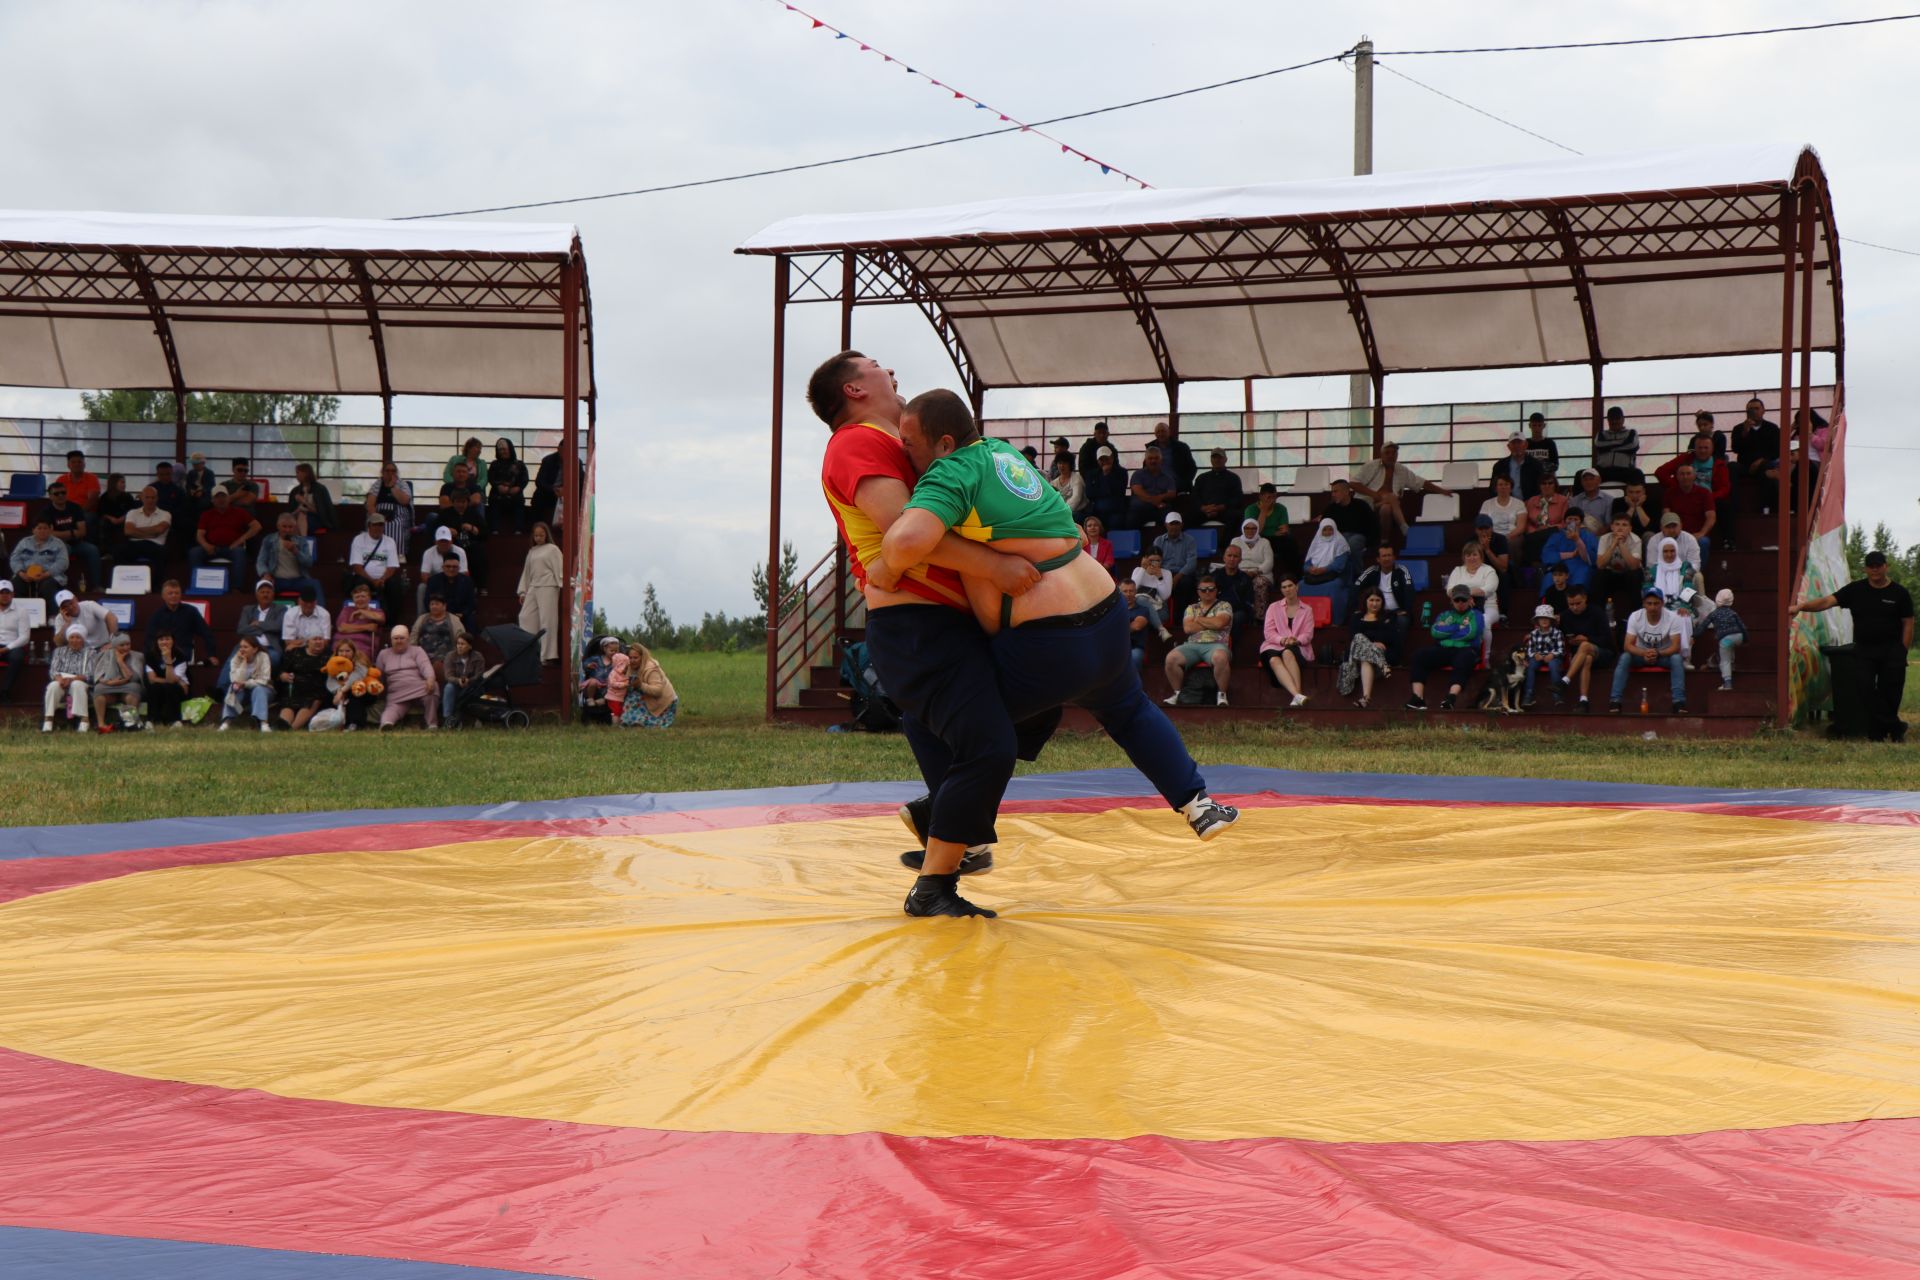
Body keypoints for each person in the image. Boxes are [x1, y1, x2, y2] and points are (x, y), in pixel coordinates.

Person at [866, 376, 1239, 915]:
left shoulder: (952, 470)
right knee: (1128, 708)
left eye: (910, 443)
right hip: (1107, 613)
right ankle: (1197, 803)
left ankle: (952, 830)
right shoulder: (1000, 455)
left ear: (944, 444)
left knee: (937, 717)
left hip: (1051, 641)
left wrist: (884, 566)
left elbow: (905, 540)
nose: (904, 452)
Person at [1790, 551, 1914, 741]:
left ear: (1885, 567)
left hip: (1892, 650)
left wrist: (1902, 650)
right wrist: (1800, 607)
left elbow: (1908, 622)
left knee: (1891, 692)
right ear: (1866, 568)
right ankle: (1895, 726)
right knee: (1864, 688)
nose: (1875, 570)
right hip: (1864, 650)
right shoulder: (1855, 590)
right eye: (1871, 566)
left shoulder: (1899, 593)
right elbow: (1826, 602)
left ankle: (1879, 733)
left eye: (1878, 565)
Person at [1350, 442, 1448, 545]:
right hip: (1366, 504)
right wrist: (1375, 495)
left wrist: (1441, 490)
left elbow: (1420, 482)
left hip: (1385, 505)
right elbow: (1353, 483)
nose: (1390, 456)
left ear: (1397, 455)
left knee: (1386, 508)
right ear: (1381, 455)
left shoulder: (1401, 470)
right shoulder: (1371, 466)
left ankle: (1384, 541)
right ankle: (1404, 526)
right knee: (1391, 497)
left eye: (1394, 453)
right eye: (1387, 453)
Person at [1405, 584, 1484, 711]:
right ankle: (1417, 698)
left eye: (1463, 600)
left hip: (1466, 649)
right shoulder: (1444, 615)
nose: (1460, 603)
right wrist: (1458, 627)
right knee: (1419, 656)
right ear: (1451, 601)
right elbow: (1435, 632)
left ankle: (1451, 698)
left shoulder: (1476, 615)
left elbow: (1471, 633)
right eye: (1457, 600)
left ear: (1470, 600)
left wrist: (1447, 632)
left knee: (1463, 660)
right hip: (1444, 649)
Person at [1611, 586, 1688, 714]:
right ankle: (1615, 701)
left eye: (1656, 603)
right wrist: (1643, 653)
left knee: (1676, 659)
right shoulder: (1636, 617)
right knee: (1625, 657)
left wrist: (1658, 653)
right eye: (1649, 603)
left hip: (1663, 655)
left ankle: (1679, 702)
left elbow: (1675, 646)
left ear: (1662, 603)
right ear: (1644, 604)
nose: (1653, 607)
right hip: (1641, 655)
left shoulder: (1673, 617)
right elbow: (1627, 645)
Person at [1163, 573, 1235, 708]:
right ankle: (1178, 693)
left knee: (1220, 658)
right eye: (1203, 590)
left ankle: (1221, 694)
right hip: (1193, 645)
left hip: (1217, 644)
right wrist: (1210, 622)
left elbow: (1220, 623)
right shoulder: (1191, 607)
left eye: (1211, 589)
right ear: (1198, 592)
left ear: (1216, 590)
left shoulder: (1224, 605)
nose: (1207, 592)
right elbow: (1188, 628)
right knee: (1171, 658)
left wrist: (1199, 620)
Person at [1658, 434, 1733, 552]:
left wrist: (1709, 497)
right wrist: (1681, 485)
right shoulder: (1685, 459)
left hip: (1709, 497)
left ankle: (1728, 541)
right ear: (1694, 448)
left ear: (1712, 449)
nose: (1702, 450)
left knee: (1725, 506)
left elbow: (1725, 488)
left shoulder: (1719, 464)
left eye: (1706, 448)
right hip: (1685, 495)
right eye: (1699, 447)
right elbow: (1660, 472)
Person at [1349, 543, 1412, 662]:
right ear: (1378, 559)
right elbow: (1356, 586)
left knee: (1402, 621)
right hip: (1375, 609)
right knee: (1355, 618)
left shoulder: (1402, 571)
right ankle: (1362, 652)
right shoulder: (1371, 571)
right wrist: (1357, 607)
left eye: (1389, 555)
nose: (1387, 558)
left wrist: (1405, 610)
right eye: (1384, 556)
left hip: (1395, 611)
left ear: (1394, 557)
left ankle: (1396, 657)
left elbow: (1410, 591)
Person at [1259, 574, 1315, 708]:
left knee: (1287, 653)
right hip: (1273, 645)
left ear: (1297, 587)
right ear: (1281, 590)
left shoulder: (1307, 609)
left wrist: (1296, 640)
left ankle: (1297, 695)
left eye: (1290, 586)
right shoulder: (1273, 607)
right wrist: (1282, 640)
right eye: (1284, 587)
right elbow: (1268, 632)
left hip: (1297, 646)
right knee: (1273, 659)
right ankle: (1297, 694)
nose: (1287, 589)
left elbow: (1308, 634)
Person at [220, 580, 286, 690]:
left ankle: (257, 686)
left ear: (273, 594)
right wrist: (262, 630)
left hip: (269, 648)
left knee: (274, 658)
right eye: (262, 592)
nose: (265, 594)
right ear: (256, 594)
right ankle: (221, 689)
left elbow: (278, 626)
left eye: (268, 592)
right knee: (233, 659)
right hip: (248, 645)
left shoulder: (281, 609)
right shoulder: (248, 609)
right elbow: (241, 629)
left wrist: (258, 624)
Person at [1557, 585, 1614, 712]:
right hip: (1580, 657)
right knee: (1587, 658)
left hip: (1603, 653)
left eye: (1578, 603)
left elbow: (1607, 639)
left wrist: (1587, 639)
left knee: (1585, 646)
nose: (1574, 607)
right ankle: (1583, 701)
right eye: (1571, 604)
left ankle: (1565, 680)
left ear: (1585, 599)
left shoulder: (1597, 612)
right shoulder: (1565, 616)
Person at [188, 487, 260, 588]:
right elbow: (199, 534)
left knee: (240, 553)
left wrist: (240, 540)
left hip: (232, 548)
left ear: (228, 498)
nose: (221, 499)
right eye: (217, 497)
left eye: (223, 496)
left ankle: (237, 589)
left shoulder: (240, 512)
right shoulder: (206, 515)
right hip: (212, 547)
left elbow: (256, 526)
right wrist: (205, 545)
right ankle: (198, 585)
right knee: (194, 552)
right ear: (212, 500)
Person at [39, 482, 101, 592]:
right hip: (56, 545)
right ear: (50, 496)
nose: (61, 496)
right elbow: (49, 533)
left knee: (93, 550)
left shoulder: (75, 507)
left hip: (77, 543)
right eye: (56, 493)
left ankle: (96, 586)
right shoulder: (46, 512)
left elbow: (82, 531)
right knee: (64, 549)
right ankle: (60, 586)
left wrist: (62, 534)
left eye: (63, 492)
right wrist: (72, 533)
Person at [515, 520, 563, 662]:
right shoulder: (532, 551)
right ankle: (531, 651)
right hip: (534, 586)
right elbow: (527, 572)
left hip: (548, 586)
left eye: (541, 535)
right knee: (525, 616)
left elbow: (559, 568)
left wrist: (563, 581)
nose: (538, 538)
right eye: (536, 535)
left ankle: (546, 655)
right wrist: (523, 591)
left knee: (547, 620)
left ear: (546, 535)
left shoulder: (553, 549)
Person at [1340, 589, 1396, 708]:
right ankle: (1381, 664)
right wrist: (1373, 643)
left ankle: (1366, 698)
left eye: (1377, 600)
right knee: (1358, 637)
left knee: (1365, 656)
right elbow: (1353, 637)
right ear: (1365, 601)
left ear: (1382, 602)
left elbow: (1390, 636)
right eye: (1371, 600)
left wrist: (1371, 641)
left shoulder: (1389, 616)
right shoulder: (1357, 616)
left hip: (1380, 653)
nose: (1374, 603)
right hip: (1358, 655)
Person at [1444, 541, 1501, 658]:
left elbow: (1487, 590)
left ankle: (1486, 657)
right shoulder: (1457, 570)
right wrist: (1466, 597)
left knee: (1483, 621)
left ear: (1481, 556)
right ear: (1464, 557)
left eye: (1475, 554)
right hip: (1461, 607)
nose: (1471, 558)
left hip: (1488, 607)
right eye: (1468, 555)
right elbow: (1450, 591)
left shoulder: (1489, 570)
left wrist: (1464, 593)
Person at [345, 511, 407, 617]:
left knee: (395, 585)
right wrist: (372, 581)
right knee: (360, 582)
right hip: (365, 577)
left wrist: (382, 579)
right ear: (369, 525)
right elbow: (357, 566)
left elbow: (392, 566)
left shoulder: (390, 541)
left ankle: (390, 620)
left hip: (384, 579)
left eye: (381, 525)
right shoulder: (359, 539)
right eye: (375, 525)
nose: (378, 528)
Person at [377, 625, 439, 729]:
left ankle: (432, 724)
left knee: (434, 688)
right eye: (396, 638)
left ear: (408, 639)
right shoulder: (383, 654)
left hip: (418, 687)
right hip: (396, 692)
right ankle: (386, 724)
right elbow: (378, 674)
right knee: (391, 711)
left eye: (402, 638)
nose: (399, 641)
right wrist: (378, 688)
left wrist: (430, 679)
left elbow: (426, 666)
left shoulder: (417, 650)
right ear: (391, 640)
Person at [256, 512, 325, 605]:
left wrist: (295, 551)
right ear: (278, 526)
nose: (287, 530)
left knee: (315, 584)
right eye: (284, 526)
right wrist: (265, 574)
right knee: (261, 586)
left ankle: (321, 614)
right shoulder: (269, 540)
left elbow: (309, 563)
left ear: (295, 527)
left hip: (298, 580)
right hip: (277, 580)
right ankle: (262, 614)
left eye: (290, 527)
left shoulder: (301, 541)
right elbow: (261, 561)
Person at [144, 578, 216, 664]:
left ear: (180, 595)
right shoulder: (157, 615)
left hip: (184, 653)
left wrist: (211, 655)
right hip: (162, 654)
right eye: (170, 593)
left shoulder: (191, 611)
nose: (174, 596)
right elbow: (149, 639)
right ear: (163, 596)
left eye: (177, 593)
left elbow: (206, 633)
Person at [1659, 458, 1716, 559]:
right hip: (1675, 533)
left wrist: (1702, 533)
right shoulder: (1669, 493)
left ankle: (1696, 573)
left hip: (1696, 535)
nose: (1685, 477)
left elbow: (1711, 517)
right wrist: (1672, 533)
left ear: (1694, 476)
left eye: (1688, 473)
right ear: (1677, 476)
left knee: (1704, 542)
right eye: (1682, 474)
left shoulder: (1704, 493)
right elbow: (1666, 516)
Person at [278, 632, 333, 731]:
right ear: (307, 642)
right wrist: (283, 675)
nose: (318, 642)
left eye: (320, 639)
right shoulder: (295, 652)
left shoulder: (329, 656)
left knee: (311, 701)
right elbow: (282, 671)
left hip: (315, 690)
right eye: (315, 639)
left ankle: (292, 729)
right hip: (294, 688)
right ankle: (283, 726)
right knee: (288, 703)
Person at [1595, 514, 1644, 624]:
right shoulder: (1604, 538)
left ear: (1630, 528)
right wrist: (1613, 544)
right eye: (1617, 524)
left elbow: (1633, 566)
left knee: (1635, 574)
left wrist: (1621, 544)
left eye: (1624, 525)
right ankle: (1599, 615)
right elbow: (1600, 564)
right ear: (1612, 527)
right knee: (1599, 575)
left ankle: (1636, 616)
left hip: (1628, 575)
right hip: (1611, 574)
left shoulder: (1636, 540)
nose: (1620, 528)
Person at [1299, 517, 1350, 622]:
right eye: (1324, 529)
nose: (1327, 532)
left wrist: (1324, 569)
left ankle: (1335, 621)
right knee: (1300, 585)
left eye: (1330, 529)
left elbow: (1339, 565)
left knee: (1334, 587)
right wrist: (1310, 569)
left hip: (1333, 576)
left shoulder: (1340, 542)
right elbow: (1306, 565)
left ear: (1334, 529)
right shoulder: (1316, 542)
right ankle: (1305, 621)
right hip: (1315, 576)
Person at [218, 635, 274, 731]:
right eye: (241, 647)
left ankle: (264, 724)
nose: (242, 649)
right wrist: (243, 662)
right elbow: (235, 680)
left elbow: (264, 680)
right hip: (244, 693)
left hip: (264, 690)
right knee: (233, 687)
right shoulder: (235, 659)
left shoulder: (263, 656)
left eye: (245, 647)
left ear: (255, 649)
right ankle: (226, 723)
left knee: (259, 689)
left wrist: (246, 683)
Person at [91, 633, 145, 731]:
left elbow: (134, 678)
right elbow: (98, 676)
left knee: (134, 687)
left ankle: (131, 722)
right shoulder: (104, 655)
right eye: (122, 645)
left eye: (128, 644)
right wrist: (108, 683)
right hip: (109, 686)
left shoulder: (137, 656)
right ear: (115, 646)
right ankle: (101, 723)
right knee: (99, 688)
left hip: (127, 685)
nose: (126, 647)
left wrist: (120, 662)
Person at [42, 626, 92, 732]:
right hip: (62, 680)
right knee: (53, 686)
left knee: (77, 685)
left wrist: (72, 679)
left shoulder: (90, 653)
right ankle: (48, 719)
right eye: (72, 637)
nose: (74, 640)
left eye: (78, 637)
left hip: (80, 681)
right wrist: (59, 679)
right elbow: (53, 670)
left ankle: (84, 720)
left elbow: (89, 674)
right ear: (68, 639)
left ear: (83, 639)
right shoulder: (59, 651)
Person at [619, 642, 680, 728]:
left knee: (633, 697)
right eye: (630, 657)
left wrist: (640, 685)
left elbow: (658, 691)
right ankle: (630, 720)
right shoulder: (630, 667)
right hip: (646, 696)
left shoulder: (651, 669)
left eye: (635, 658)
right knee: (630, 696)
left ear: (642, 657)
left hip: (662, 702)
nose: (632, 660)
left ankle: (639, 721)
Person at [437, 488, 489, 585]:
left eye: (463, 502)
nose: (461, 505)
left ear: (468, 502)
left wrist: (473, 528)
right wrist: (447, 530)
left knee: (479, 551)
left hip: (471, 543)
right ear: (453, 502)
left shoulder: (474, 513)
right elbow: (437, 530)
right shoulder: (445, 514)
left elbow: (484, 533)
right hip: (452, 544)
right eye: (458, 502)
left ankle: (479, 585)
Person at [118, 486, 173, 576]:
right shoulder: (132, 513)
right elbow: (128, 531)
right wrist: (152, 533)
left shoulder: (165, 514)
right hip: (135, 545)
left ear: (157, 498)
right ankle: (127, 580)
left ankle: (155, 587)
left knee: (163, 554)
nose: (150, 500)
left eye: (153, 497)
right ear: (142, 498)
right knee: (118, 551)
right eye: (147, 497)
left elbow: (159, 530)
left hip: (156, 545)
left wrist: (136, 531)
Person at [9, 518, 69, 599]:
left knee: (47, 586)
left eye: (45, 528)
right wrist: (21, 573)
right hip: (25, 575)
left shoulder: (58, 544)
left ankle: (51, 612)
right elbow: (14, 559)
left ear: (50, 529)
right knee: (14, 584)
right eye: (39, 528)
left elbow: (63, 562)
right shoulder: (24, 542)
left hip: (50, 576)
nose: (42, 531)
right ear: (33, 530)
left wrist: (46, 574)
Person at [1540, 510, 1599, 592]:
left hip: (1581, 567)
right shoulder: (1556, 536)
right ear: (1565, 521)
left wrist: (1577, 540)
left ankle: (1576, 603)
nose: (1572, 522)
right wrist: (1570, 555)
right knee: (1549, 579)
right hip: (1559, 567)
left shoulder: (1589, 536)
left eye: (1575, 519)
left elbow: (1592, 559)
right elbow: (1547, 555)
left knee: (1582, 576)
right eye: (1569, 519)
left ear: (1581, 522)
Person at [1519, 473, 1569, 567]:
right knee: (1529, 540)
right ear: (1539, 486)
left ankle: (1543, 569)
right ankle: (1530, 573)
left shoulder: (1563, 500)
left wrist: (1549, 528)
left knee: (1533, 541)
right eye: (1543, 483)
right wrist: (1533, 531)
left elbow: (1565, 522)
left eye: (1550, 483)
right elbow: (1527, 521)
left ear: (1555, 485)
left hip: (1554, 532)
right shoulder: (1532, 501)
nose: (1547, 486)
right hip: (1535, 533)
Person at [1322, 478, 1376, 564]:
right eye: (1332, 492)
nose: (1333, 494)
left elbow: (1373, 525)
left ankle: (1358, 574)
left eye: (1336, 491)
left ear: (1346, 492)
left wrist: (1370, 543)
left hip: (1359, 535)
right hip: (1339, 537)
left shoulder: (1361, 505)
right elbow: (1323, 526)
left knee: (1353, 544)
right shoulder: (1330, 509)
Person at [1702, 588, 1748, 691]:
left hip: (1725, 639)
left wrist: (1694, 635)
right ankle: (1732, 667)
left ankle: (1727, 684)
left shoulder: (1714, 613)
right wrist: (1745, 639)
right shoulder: (1733, 613)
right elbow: (1743, 626)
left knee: (1724, 660)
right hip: (1738, 636)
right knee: (1730, 650)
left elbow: (1703, 626)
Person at [1522, 604, 1566, 709]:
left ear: (1551, 620)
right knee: (1531, 666)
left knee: (1553, 665)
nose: (1544, 620)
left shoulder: (1557, 633)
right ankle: (1528, 694)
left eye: (1547, 618)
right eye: (1541, 618)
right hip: (1539, 657)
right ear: (1537, 621)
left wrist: (1552, 654)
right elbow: (1530, 649)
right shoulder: (1533, 634)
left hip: (1553, 657)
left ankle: (1557, 695)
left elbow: (1561, 649)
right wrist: (1534, 654)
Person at [144, 631, 191, 728]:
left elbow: (171, 681)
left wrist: (168, 659)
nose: (164, 642)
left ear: (173, 641)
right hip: (169, 685)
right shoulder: (151, 656)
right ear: (157, 642)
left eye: (167, 639)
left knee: (171, 687)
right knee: (154, 687)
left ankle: (175, 721)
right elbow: (152, 679)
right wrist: (179, 681)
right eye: (161, 639)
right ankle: (151, 721)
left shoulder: (180, 656)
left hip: (179, 689)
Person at [326, 637, 374, 732]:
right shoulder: (333, 663)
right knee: (330, 697)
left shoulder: (360, 662)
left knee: (354, 694)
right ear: (337, 652)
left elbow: (357, 677)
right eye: (341, 651)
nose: (344, 654)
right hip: (341, 693)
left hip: (364, 691)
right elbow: (330, 682)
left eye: (347, 651)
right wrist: (338, 692)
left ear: (353, 652)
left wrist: (342, 691)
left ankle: (355, 724)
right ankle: (338, 723)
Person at [1126, 444, 1177, 530]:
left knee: (1170, 519)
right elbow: (1138, 491)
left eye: (1156, 458)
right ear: (1145, 460)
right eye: (1150, 458)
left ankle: (1165, 542)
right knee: (1130, 520)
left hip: (1160, 509)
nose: (1153, 461)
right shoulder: (1138, 474)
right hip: (1140, 509)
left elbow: (1172, 493)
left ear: (1161, 460)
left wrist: (1160, 497)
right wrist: (1156, 502)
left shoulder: (1168, 476)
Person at [367, 461, 416, 551]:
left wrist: (392, 487)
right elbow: (370, 504)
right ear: (382, 472)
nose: (390, 473)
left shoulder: (402, 484)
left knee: (396, 524)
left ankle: (399, 555)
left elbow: (405, 501)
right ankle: (376, 552)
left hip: (398, 513)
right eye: (387, 471)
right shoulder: (377, 484)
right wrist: (376, 517)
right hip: (379, 513)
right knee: (376, 524)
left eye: (393, 471)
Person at [412, 594, 466, 674]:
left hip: (446, 660)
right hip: (423, 659)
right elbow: (413, 638)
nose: (434, 606)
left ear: (444, 606)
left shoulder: (454, 620)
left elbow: (463, 640)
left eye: (437, 604)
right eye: (432, 604)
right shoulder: (422, 619)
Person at [1153, 512, 1197, 608]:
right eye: (1171, 524)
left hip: (1182, 574)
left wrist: (1177, 577)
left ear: (1181, 525)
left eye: (1177, 523)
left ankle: (1182, 615)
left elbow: (1191, 563)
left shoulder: (1190, 540)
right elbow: (1155, 561)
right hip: (1163, 573)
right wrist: (1164, 577)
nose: (1174, 527)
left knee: (1186, 583)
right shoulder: (1158, 541)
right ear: (1166, 525)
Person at [441, 631, 486, 727]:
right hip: (456, 685)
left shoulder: (478, 657)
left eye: (462, 644)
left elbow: (479, 675)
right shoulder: (450, 656)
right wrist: (458, 681)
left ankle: (477, 718)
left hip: (473, 686)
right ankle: (447, 719)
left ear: (470, 646)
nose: (459, 646)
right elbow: (448, 676)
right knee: (449, 687)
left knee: (480, 688)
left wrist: (469, 681)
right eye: (458, 644)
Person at [1130, 550, 1176, 642]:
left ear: (1161, 561)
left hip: (1160, 609)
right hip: (1139, 608)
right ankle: (1161, 629)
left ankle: (1138, 645)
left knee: (1139, 620)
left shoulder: (1166, 573)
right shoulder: (1138, 570)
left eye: (1157, 561)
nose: (1154, 563)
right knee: (1141, 599)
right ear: (1146, 559)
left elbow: (1165, 596)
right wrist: (1143, 569)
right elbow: (1132, 590)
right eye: (1151, 560)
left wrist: (1159, 578)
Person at [1731, 396, 1780, 479]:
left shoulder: (1772, 428)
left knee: (1766, 467)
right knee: (1731, 467)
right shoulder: (1738, 428)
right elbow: (1735, 448)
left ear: (1763, 411)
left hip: (1765, 464)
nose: (1754, 412)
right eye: (1751, 409)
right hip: (1745, 465)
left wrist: (1761, 460)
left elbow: (1777, 451)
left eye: (1757, 408)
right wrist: (1745, 432)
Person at [1231, 516, 1275, 609]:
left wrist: (1255, 572)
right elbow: (1232, 559)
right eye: (1247, 528)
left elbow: (1269, 562)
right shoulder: (1236, 541)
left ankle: (1259, 617)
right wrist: (1243, 572)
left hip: (1261, 574)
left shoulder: (1264, 542)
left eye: (1253, 528)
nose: (1250, 530)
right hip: (1240, 572)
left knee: (1259, 582)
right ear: (1243, 529)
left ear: (1257, 529)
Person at [336, 581, 386, 662]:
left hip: (362, 648)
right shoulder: (347, 610)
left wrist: (362, 611)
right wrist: (367, 627)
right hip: (342, 647)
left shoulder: (377, 611)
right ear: (353, 599)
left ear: (369, 598)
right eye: (357, 597)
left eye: (363, 596)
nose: (360, 599)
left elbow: (381, 618)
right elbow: (342, 627)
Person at [53, 588, 118, 651]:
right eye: (65, 606)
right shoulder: (60, 618)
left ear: (76, 599)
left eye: (71, 603)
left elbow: (112, 618)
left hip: (102, 647)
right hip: (80, 651)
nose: (70, 607)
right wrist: (66, 624)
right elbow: (58, 643)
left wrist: (112, 642)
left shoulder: (89, 605)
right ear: (61, 609)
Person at [1213, 542, 1258, 630]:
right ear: (1224, 558)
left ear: (1240, 560)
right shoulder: (1214, 576)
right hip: (1217, 610)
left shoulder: (1245, 579)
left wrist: (1230, 609)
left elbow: (1249, 601)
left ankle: (1230, 642)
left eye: (1235, 556)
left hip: (1237, 611)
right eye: (1229, 555)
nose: (1232, 559)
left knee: (1238, 617)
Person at [1193, 449, 1245, 525]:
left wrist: (1221, 507)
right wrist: (1203, 508)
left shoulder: (1233, 478)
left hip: (1225, 512)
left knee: (1237, 517)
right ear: (1211, 460)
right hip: (1205, 512)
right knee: (1186, 518)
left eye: (1220, 458)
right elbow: (1195, 497)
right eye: (1214, 457)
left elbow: (1238, 498)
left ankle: (1227, 537)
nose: (1217, 460)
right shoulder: (1202, 478)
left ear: (1225, 460)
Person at [1592, 406, 1643, 484]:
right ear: (1608, 420)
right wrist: (1623, 443)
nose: (1614, 421)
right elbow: (1599, 445)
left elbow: (1632, 445)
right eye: (1611, 419)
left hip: (1625, 470)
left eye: (1617, 419)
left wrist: (1608, 446)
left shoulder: (1631, 432)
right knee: (1580, 474)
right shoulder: (1601, 434)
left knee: (1638, 474)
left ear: (1623, 419)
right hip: (1603, 470)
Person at [1085, 447, 1130, 531]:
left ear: (1112, 458)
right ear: (1098, 461)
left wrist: (1107, 476)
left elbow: (1119, 491)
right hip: (1097, 510)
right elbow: (1089, 493)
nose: (1104, 462)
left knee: (1116, 522)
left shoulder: (1122, 472)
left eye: (1107, 459)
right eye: (1102, 460)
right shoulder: (1091, 474)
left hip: (1116, 509)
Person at [1487, 434, 1544, 500]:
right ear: (1508, 446)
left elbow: (1541, 487)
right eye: (1513, 443)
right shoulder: (1500, 465)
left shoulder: (1536, 465)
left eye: (1519, 443)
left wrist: (1532, 502)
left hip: (1530, 504)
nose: (1516, 446)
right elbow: (1493, 488)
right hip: (1506, 503)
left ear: (1526, 445)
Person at [286, 462, 336, 537]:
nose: (296, 476)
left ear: (305, 473)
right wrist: (298, 509)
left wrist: (304, 502)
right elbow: (290, 514)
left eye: (298, 472)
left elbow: (321, 512)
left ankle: (302, 540)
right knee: (299, 516)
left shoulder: (320, 489)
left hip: (316, 519)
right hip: (296, 519)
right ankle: (304, 540)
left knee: (302, 516)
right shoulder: (295, 491)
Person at [0, 580, 29, 702]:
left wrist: (5, 649)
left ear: (13, 594)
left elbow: (25, 637)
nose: (5, 595)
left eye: (8, 593)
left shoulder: (21, 611)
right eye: (2, 592)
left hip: (11, 647)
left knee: (17, 656)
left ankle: (4, 691)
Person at [95, 473, 137, 553]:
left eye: (124, 482)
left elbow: (132, 511)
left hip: (125, 519)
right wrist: (111, 518)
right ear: (113, 483)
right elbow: (102, 512)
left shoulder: (128, 496)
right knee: (103, 524)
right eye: (122, 482)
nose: (124, 485)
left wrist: (122, 518)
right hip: (109, 520)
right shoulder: (105, 497)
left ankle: (123, 551)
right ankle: (105, 551)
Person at [1149, 420, 1197, 492]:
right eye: (1158, 432)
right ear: (1155, 434)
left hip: (1177, 486)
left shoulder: (1181, 447)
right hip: (1156, 486)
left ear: (1169, 432)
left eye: (1163, 431)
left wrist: (1184, 483)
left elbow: (1192, 468)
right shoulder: (1151, 448)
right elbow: (1146, 467)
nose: (1161, 434)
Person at [1118, 578, 1153, 670]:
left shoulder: (1143, 610)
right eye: (1125, 591)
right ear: (1119, 593)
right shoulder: (1114, 611)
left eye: (1131, 591)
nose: (1128, 594)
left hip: (1134, 648)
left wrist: (1115, 629)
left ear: (1135, 592)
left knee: (1134, 658)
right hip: (1115, 647)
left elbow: (1136, 626)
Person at [580, 634, 619, 715]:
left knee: (614, 688)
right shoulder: (596, 659)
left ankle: (602, 700)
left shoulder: (617, 661)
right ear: (604, 649)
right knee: (593, 682)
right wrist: (588, 665)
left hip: (608, 685)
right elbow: (585, 663)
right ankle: (590, 698)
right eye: (611, 651)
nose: (614, 653)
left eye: (616, 651)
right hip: (595, 685)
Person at [1480, 473, 1525, 538]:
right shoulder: (1486, 504)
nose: (1503, 487)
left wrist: (1506, 538)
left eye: (1506, 484)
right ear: (1496, 488)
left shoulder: (1519, 504)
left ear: (1511, 488)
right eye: (1500, 485)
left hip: (1513, 537)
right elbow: (1483, 525)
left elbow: (1521, 528)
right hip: (1491, 537)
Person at [1567, 469, 1612, 533]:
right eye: (1585, 480)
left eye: (1591, 479)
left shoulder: (1609, 500)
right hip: (1578, 536)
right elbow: (1571, 523)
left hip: (1600, 537)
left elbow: (1609, 524)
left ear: (1599, 481)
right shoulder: (1574, 501)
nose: (1588, 482)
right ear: (1581, 483)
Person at [531, 447, 563, 530]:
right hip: (548, 491)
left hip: (565, 493)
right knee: (538, 497)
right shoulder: (548, 460)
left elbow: (580, 481)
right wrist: (553, 489)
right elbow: (539, 481)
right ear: (559, 449)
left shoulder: (576, 462)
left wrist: (565, 490)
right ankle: (537, 529)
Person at [1523, 411, 1560, 479]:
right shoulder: (1524, 444)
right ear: (1529, 425)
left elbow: (1555, 465)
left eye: (1539, 425)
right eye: (1534, 425)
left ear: (1544, 426)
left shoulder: (1550, 443)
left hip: (1546, 481)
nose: (1537, 429)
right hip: (1529, 480)